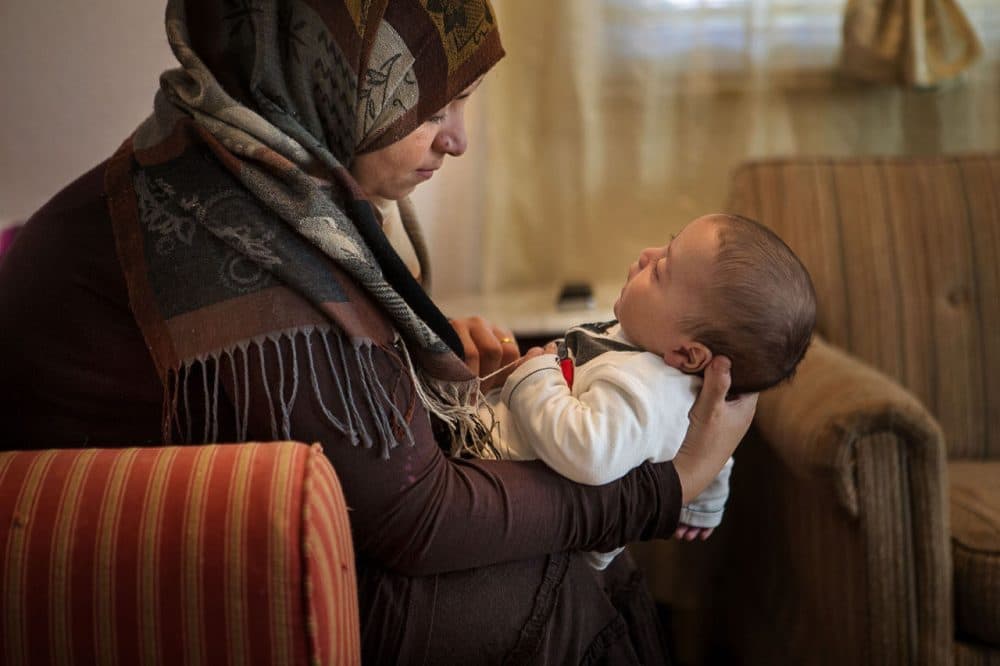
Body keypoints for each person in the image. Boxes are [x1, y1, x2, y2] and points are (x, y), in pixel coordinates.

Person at [0, 1, 758, 662]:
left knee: (592, 565)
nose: (457, 139)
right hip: (112, 566)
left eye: (464, 103)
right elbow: (415, 519)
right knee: (561, 589)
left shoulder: (246, 158)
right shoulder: (234, 240)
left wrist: (418, 373)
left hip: (189, 527)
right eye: (431, 112)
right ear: (325, 86)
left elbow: (340, 417)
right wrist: (666, 489)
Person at [481, 213, 817, 569]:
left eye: (660, 271)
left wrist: (536, 376)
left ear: (688, 354)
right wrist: (705, 502)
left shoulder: (647, 388)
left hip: (531, 534)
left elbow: (586, 451)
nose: (646, 255)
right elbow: (711, 442)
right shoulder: (655, 353)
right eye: (666, 247)